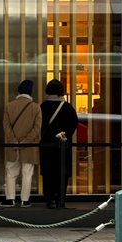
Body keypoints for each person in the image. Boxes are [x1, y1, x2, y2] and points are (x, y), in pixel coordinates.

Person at [0, 79, 42, 208]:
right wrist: (26, 141)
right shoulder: (36, 107)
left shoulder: (9, 106)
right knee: (27, 173)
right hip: (29, 147)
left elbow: (6, 126)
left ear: (18, 91)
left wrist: (14, 140)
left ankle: (10, 199)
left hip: (12, 146)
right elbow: (37, 128)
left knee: (11, 173)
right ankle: (25, 200)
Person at [40, 78, 78, 209]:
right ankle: (60, 199)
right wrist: (64, 135)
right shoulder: (67, 107)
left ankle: (49, 199)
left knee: (48, 173)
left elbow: (39, 125)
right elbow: (74, 124)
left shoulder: (43, 107)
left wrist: (50, 135)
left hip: (47, 146)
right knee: (62, 172)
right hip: (63, 146)